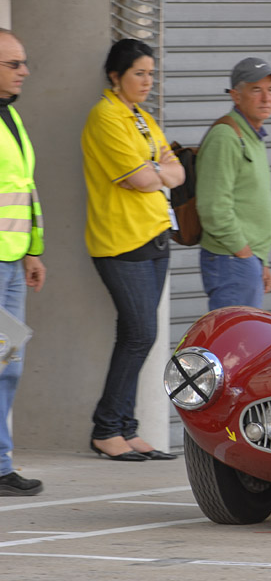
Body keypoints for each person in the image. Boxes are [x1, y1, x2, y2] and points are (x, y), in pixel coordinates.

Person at [82, 38, 184, 462]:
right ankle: (106, 429)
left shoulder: (140, 116)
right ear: (115, 76)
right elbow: (142, 179)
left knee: (138, 335)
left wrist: (155, 170)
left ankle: (126, 428)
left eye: (150, 73)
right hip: (121, 240)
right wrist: (155, 171)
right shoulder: (106, 117)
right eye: (138, 73)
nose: (147, 81)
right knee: (141, 333)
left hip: (155, 236)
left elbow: (174, 170)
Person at [195, 58, 271, 310]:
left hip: (244, 260)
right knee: (233, 347)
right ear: (236, 95)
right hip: (231, 259)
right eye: (256, 89)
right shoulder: (227, 137)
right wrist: (245, 254)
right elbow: (213, 208)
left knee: (245, 344)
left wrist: (259, 261)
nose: (266, 98)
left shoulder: (251, 134)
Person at [0, 29, 45, 495]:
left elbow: (26, 190)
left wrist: (34, 250)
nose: (24, 72)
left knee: (7, 366)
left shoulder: (11, 117)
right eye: (14, 64)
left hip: (11, 263)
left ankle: (0, 464)